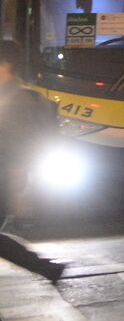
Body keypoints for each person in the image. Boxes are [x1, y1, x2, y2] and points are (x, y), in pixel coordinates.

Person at [0, 40, 64, 283]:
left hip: (5, 179)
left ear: (5, 66)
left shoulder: (18, 101)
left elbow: (17, 149)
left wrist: (16, 191)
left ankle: (45, 267)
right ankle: (46, 268)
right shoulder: (9, 96)